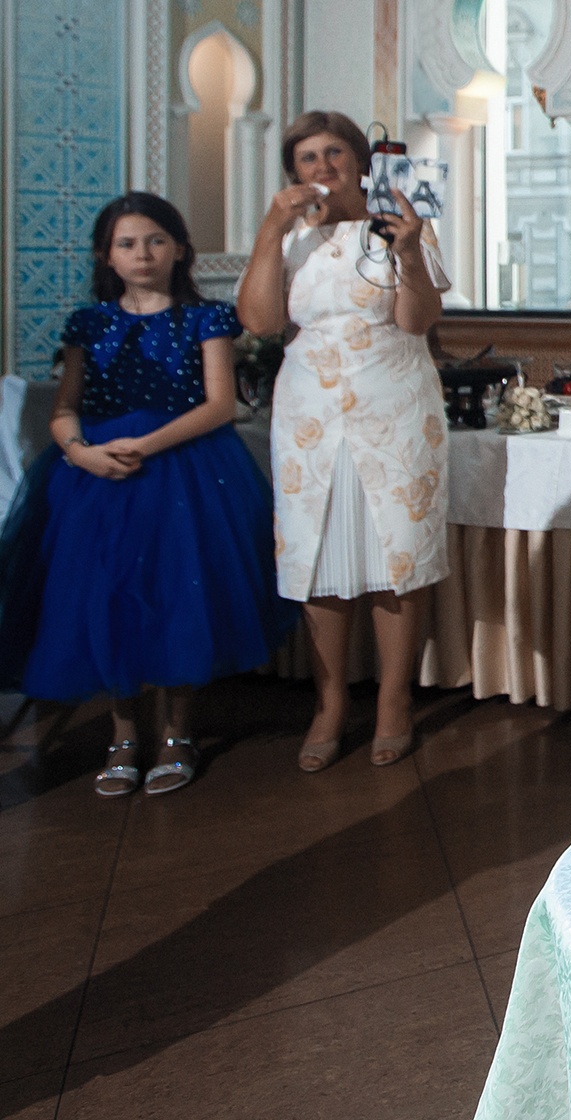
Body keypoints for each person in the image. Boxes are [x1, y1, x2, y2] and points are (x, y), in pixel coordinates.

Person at [0, 194, 289, 796]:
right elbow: (65, 409)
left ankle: (178, 733)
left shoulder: (205, 318)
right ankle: (124, 734)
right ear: (107, 255)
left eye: (155, 241)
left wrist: (146, 445)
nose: (142, 253)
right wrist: (80, 451)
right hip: (95, 477)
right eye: (127, 243)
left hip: (180, 468)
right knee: (107, 599)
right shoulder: (89, 321)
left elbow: (220, 405)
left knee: (174, 593)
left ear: (179, 249)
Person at [235, 112, 449, 772]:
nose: (322, 165)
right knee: (318, 554)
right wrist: (272, 229)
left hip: (396, 402)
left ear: (361, 162)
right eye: (306, 157)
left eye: (334, 152)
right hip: (309, 411)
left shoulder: (400, 222)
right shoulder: (289, 238)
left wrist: (409, 250)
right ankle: (329, 702)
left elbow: (417, 321)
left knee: (399, 554)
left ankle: (393, 701)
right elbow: (262, 322)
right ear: (291, 173)